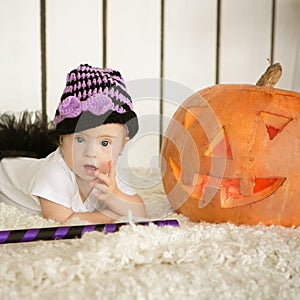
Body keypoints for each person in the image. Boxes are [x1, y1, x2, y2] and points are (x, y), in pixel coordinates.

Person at [0, 64, 146, 224]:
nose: (91, 153)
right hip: (4, 173)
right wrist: (113, 216)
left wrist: (115, 196)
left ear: (122, 146)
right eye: (80, 139)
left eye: (105, 143)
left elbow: (140, 212)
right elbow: (63, 219)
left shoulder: (109, 172)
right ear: (62, 141)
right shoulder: (54, 173)